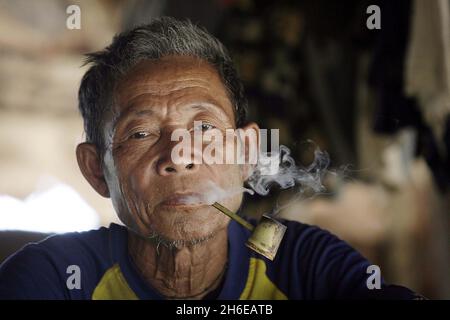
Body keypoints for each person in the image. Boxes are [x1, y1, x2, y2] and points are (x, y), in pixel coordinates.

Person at [0, 17, 420, 300]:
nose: (179, 158)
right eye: (141, 133)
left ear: (247, 153)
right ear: (96, 170)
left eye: (204, 130)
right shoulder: (54, 277)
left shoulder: (300, 263)